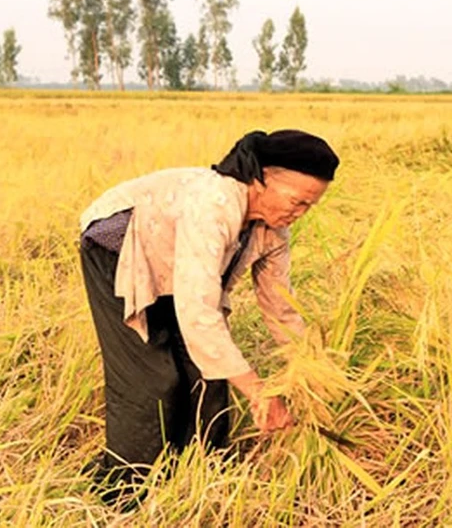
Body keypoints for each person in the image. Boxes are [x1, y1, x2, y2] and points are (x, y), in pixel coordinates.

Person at [77, 129, 339, 504]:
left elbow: (281, 306)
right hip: (119, 250)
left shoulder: (274, 231)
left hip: (177, 267)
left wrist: (310, 365)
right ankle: (121, 491)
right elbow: (198, 311)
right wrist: (258, 392)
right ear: (262, 178)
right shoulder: (213, 203)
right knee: (152, 380)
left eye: (310, 207)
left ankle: (206, 474)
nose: (299, 213)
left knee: (208, 375)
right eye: (297, 201)